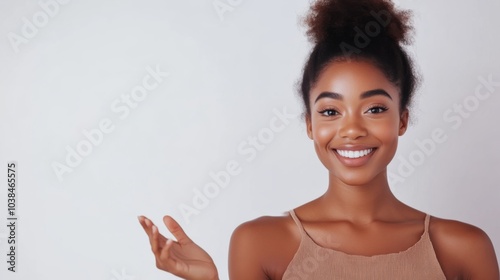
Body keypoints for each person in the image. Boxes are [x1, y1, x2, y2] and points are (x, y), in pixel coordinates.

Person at [138, 0, 500, 279]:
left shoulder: (463, 248)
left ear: (402, 120)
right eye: (330, 112)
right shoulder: (259, 242)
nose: (352, 129)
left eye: (374, 109)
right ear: (310, 124)